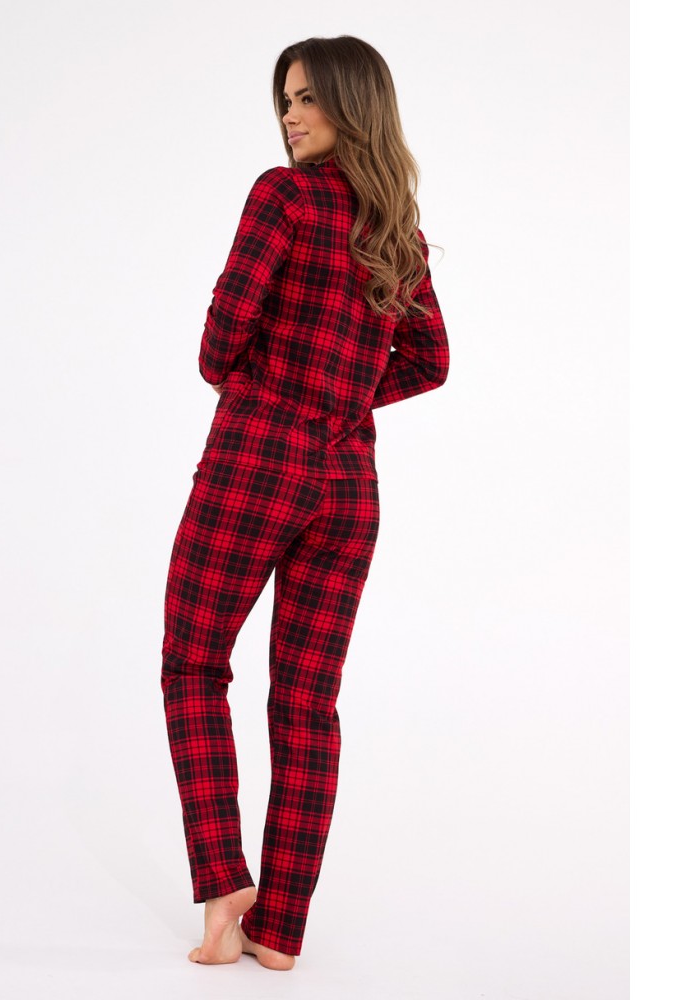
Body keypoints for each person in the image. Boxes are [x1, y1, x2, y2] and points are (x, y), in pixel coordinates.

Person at [160, 34, 450, 971]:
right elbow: (430, 361)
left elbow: (220, 340)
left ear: (351, 105)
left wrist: (267, 386)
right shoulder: (396, 229)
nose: (290, 115)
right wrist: (345, 395)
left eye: (308, 98)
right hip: (349, 485)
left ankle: (225, 887)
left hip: (256, 462)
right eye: (285, 99)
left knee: (193, 663)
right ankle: (280, 930)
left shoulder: (282, 196)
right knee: (307, 703)